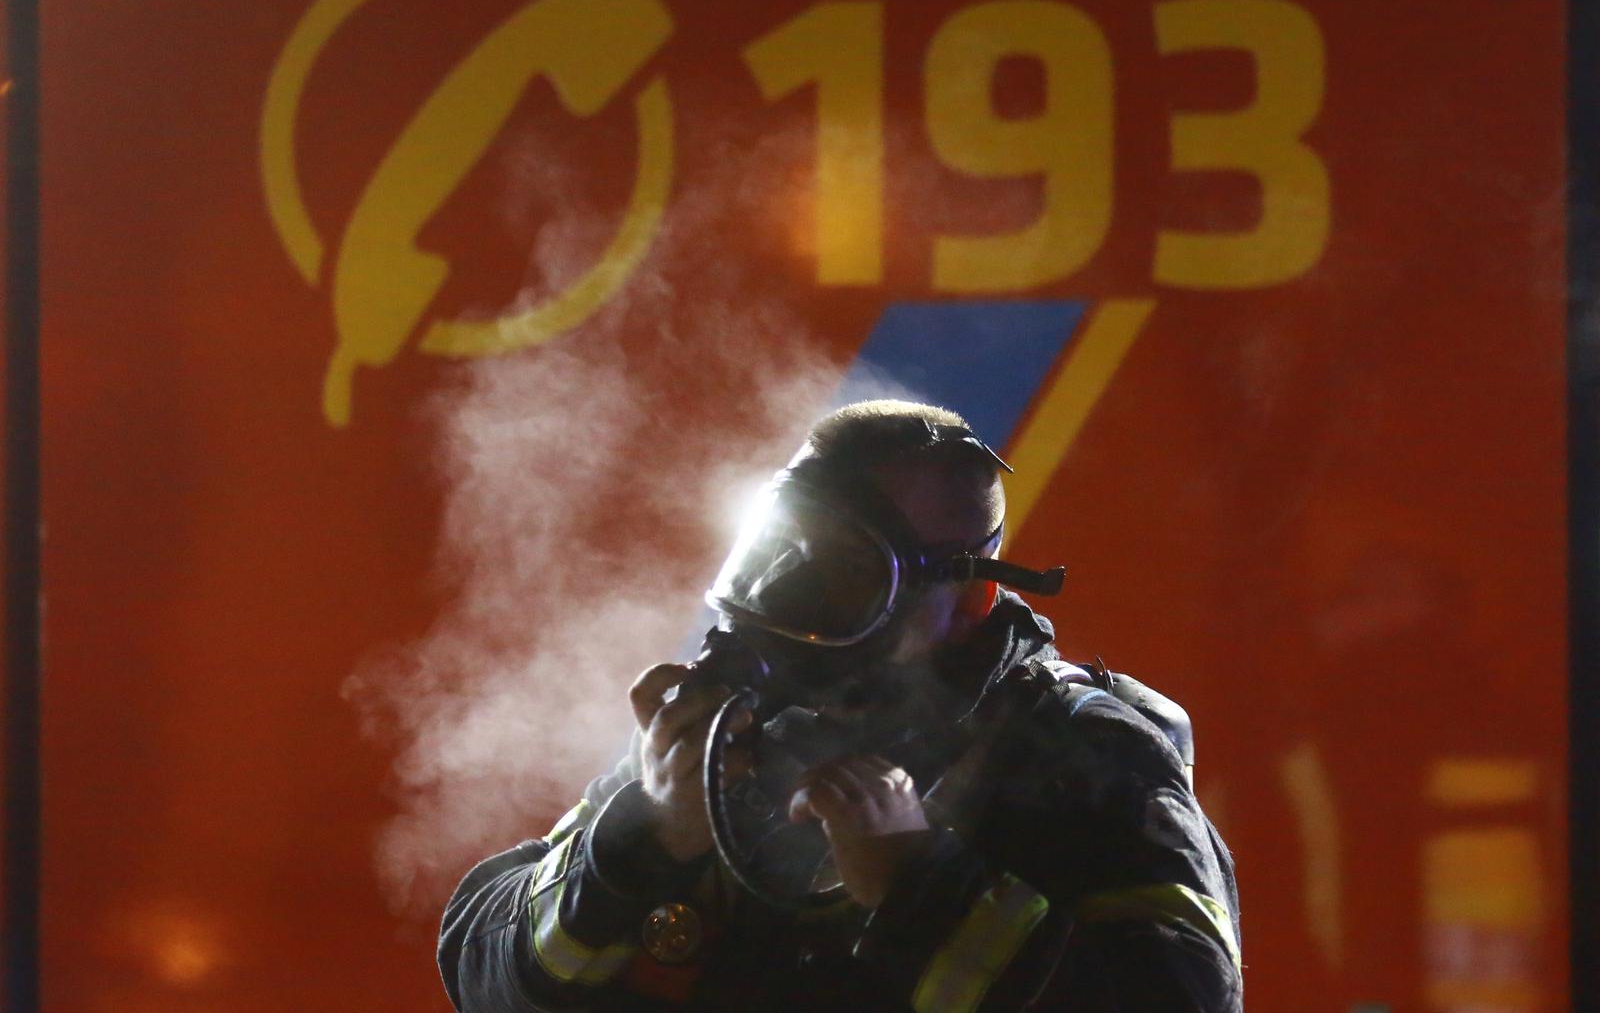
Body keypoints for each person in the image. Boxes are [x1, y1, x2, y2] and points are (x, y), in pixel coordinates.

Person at [439, 400, 1242, 1011]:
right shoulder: (724, 739)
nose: (783, 599)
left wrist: (922, 889)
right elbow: (485, 971)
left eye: (844, 572)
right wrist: (635, 846)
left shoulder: (1088, 758)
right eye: (774, 553)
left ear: (968, 600)